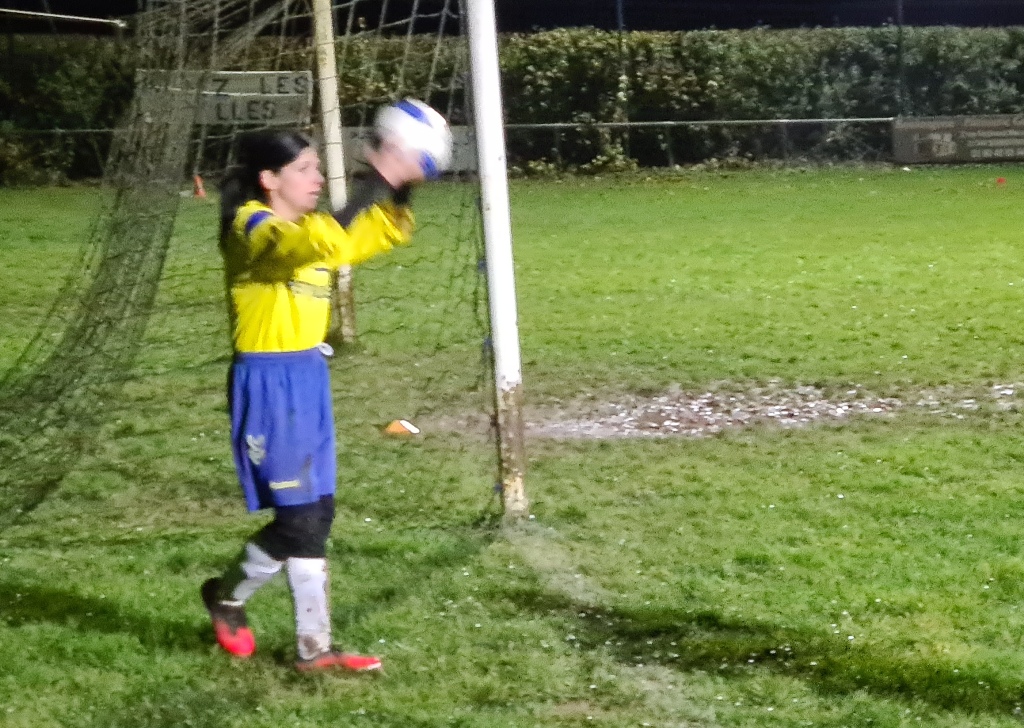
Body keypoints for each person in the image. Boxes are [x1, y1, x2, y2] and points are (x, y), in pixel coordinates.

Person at [201, 129, 425, 672]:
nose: (318, 178)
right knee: (299, 518)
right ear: (268, 179)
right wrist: (376, 179)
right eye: (304, 168)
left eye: (317, 167)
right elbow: (303, 246)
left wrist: (403, 184)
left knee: (316, 514)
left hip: (307, 378)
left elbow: (376, 233)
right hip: (268, 384)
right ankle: (241, 606)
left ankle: (302, 642)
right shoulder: (249, 226)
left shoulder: (310, 229)